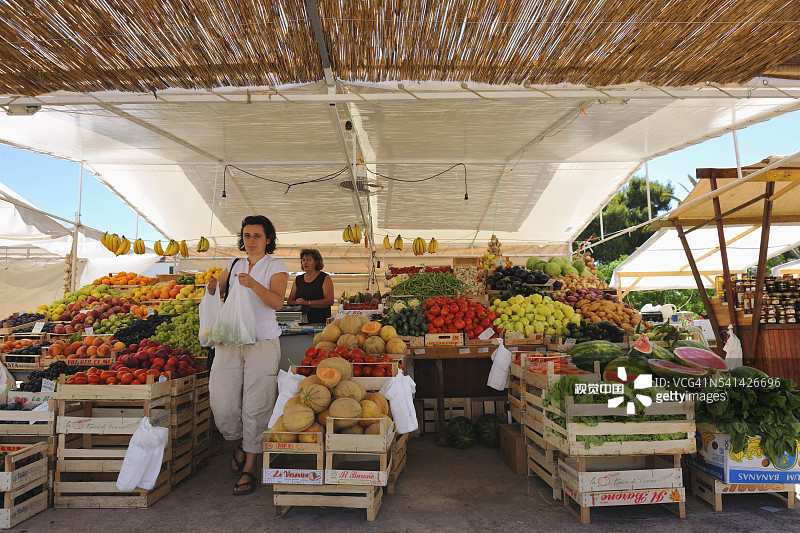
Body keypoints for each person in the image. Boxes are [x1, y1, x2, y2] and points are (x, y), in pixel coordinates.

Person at [206, 215, 288, 495]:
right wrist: (212, 288)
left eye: (257, 235)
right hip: (230, 340)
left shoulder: (276, 266)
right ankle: (241, 443)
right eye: (247, 235)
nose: (251, 240)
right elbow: (218, 288)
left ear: (268, 239)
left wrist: (253, 284)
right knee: (224, 403)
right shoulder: (234, 264)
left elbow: (277, 302)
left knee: (257, 404)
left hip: (262, 341)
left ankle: (249, 467)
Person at [287, 248, 334, 324]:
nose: (305, 262)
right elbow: (290, 301)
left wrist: (307, 303)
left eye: (308, 260)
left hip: (320, 322)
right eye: (303, 260)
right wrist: (298, 303)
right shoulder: (298, 279)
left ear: (316, 262)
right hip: (300, 322)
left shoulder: (324, 277)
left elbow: (329, 301)